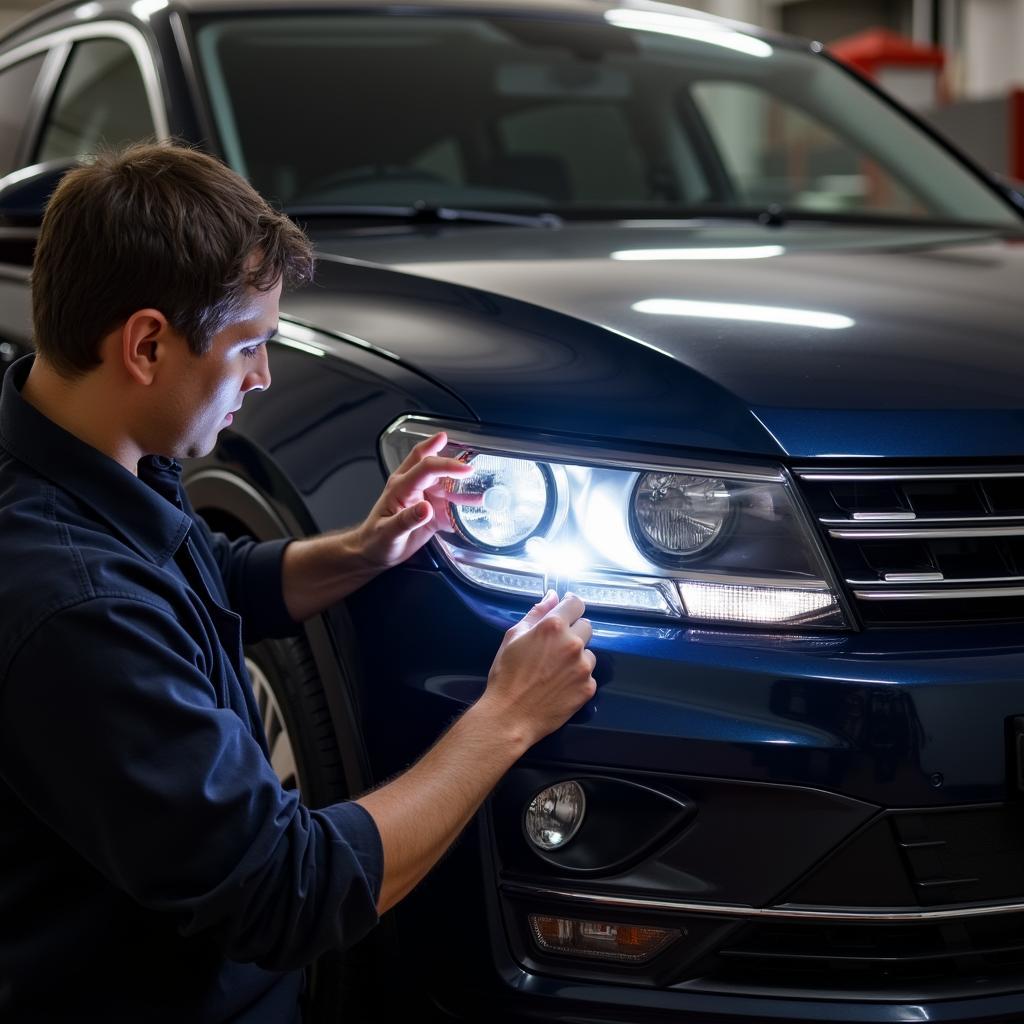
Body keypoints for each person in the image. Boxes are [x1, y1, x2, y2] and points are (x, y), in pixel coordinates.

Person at [0, 142, 596, 1023]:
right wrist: (506, 718)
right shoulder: (73, 607)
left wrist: (364, 548)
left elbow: (201, 585)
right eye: (249, 345)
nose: (262, 376)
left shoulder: (92, 453)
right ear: (147, 345)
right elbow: (287, 890)